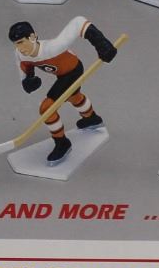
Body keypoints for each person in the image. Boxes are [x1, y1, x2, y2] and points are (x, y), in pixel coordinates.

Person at [8, 16, 119, 165]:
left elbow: (79, 22)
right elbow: (24, 69)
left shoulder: (52, 47)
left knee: (47, 108)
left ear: (32, 37)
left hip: (73, 71)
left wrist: (101, 43)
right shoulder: (20, 54)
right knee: (73, 96)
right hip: (61, 75)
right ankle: (91, 118)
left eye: (22, 42)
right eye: (16, 44)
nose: (20, 48)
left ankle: (62, 143)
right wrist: (28, 80)